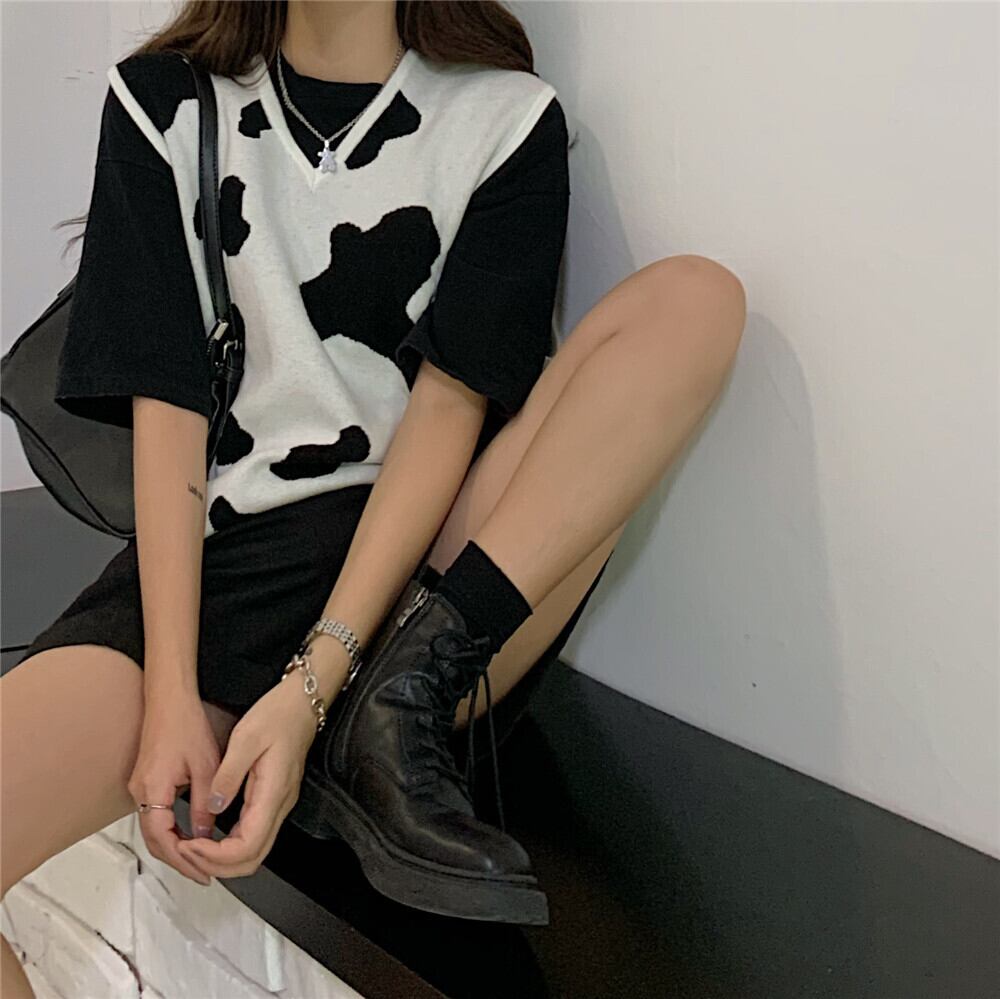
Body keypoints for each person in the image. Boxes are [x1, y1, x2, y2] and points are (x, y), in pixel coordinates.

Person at [1, 0, 746, 989]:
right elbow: (168, 405)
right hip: (222, 577)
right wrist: (171, 692)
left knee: (694, 300)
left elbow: (448, 412)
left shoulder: (503, 120)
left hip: (419, 597)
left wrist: (315, 687)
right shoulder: (164, 104)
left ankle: (379, 722)